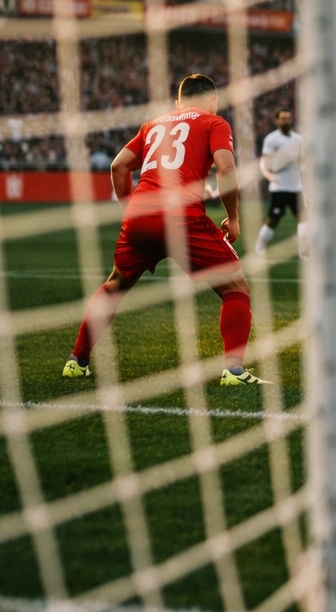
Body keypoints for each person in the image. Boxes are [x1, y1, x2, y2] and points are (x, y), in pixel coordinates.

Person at [64, 73, 266, 385]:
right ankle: (234, 371)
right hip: (182, 217)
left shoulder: (153, 124)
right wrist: (233, 217)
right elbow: (226, 169)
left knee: (114, 285)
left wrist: (129, 211)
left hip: (140, 216)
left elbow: (118, 166)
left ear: (178, 101)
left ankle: (77, 360)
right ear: (213, 101)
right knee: (235, 289)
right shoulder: (214, 122)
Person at [256, 108, 308, 258]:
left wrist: (303, 168)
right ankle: (260, 246)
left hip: (296, 187)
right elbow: (265, 161)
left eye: (288, 118)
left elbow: (302, 160)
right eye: (283, 118)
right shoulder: (272, 139)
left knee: (304, 219)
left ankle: (303, 250)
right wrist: (267, 173)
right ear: (277, 121)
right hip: (279, 187)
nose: (286, 121)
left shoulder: (298, 139)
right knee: (273, 219)